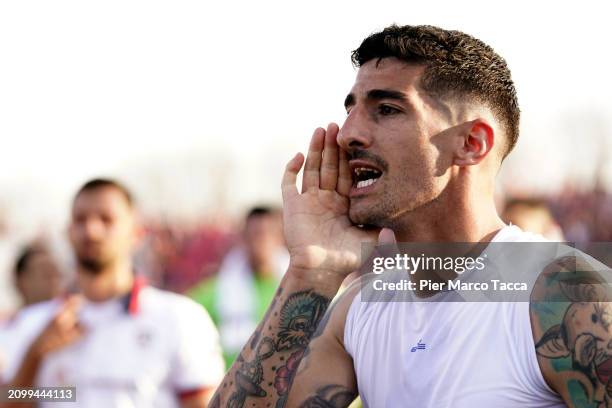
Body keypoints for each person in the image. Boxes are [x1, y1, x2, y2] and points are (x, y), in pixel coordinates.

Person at [211, 25, 610, 407]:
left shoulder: (567, 296)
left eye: (386, 109)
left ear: (472, 143)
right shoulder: (360, 308)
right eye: (351, 110)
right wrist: (311, 272)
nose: (349, 134)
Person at [0, 179, 224, 408]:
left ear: (136, 233)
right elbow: (16, 401)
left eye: (106, 220)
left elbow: (204, 404)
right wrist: (34, 357)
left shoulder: (179, 317)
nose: (91, 230)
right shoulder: (34, 324)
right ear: (68, 232)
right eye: (80, 220)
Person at [189, 206, 288, 367]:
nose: (261, 241)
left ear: (279, 238)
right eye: (255, 234)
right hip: (232, 383)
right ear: (244, 238)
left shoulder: (296, 289)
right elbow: (184, 314)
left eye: (268, 234)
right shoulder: (220, 289)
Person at [13, 243, 64, 308]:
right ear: (21, 281)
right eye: (45, 273)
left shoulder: (74, 313)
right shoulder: (12, 317)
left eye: (55, 272)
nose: (54, 280)